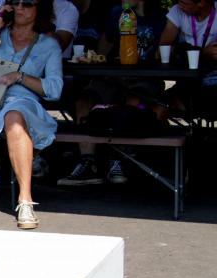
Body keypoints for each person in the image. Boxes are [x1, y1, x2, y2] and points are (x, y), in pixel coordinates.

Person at [0, 0, 63, 230]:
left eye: (27, 3)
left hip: (22, 102)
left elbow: (54, 89)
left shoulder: (48, 45)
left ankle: (25, 199)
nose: (20, 7)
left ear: (40, 9)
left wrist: (21, 77)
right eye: (15, 2)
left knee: (14, 117)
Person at [59, 0, 167, 187]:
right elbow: (105, 45)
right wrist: (98, 60)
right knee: (84, 101)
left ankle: (118, 159)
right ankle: (87, 162)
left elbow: (165, 52)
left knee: (132, 102)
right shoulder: (117, 13)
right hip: (113, 77)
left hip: (144, 78)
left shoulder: (160, 18)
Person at [160, 0, 217, 120]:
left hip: (211, 78)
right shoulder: (177, 10)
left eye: (184, 3)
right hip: (186, 78)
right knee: (160, 102)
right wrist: (202, 52)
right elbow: (164, 47)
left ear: (201, 3)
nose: (179, 5)